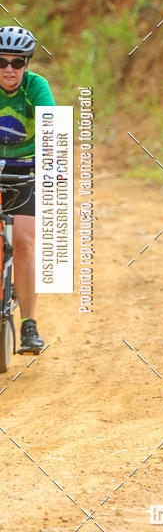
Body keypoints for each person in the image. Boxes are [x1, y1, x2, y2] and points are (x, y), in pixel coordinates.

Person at [0, 26, 56, 353]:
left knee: (24, 242)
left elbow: (52, 128)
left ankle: (28, 324)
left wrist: (52, 170)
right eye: (2, 62)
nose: (9, 69)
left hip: (27, 170)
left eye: (17, 63)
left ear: (26, 64)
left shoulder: (36, 87)